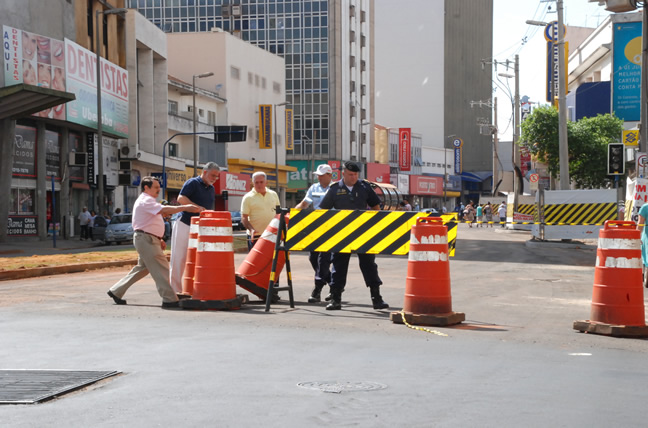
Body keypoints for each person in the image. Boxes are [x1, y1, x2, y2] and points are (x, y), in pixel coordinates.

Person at [107, 176, 203, 309]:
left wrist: (159, 238)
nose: (159, 190)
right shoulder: (145, 200)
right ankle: (169, 299)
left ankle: (116, 291)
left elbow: (150, 221)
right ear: (146, 187)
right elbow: (164, 210)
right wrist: (185, 207)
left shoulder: (148, 201)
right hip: (146, 239)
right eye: (156, 187)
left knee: (142, 269)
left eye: (159, 187)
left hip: (148, 239)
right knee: (161, 267)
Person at [319, 161, 388, 311]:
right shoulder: (335, 189)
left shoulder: (364, 187)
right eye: (350, 174)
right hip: (342, 234)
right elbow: (323, 211)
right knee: (338, 265)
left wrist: (374, 226)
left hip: (363, 233)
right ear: (343, 173)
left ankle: (377, 298)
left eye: (356, 174)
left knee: (369, 265)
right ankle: (335, 299)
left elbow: (376, 207)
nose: (353, 177)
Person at [169, 162, 220, 293]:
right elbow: (181, 198)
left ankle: (193, 288)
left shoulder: (212, 189)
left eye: (217, 176)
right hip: (184, 223)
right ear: (204, 172)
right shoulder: (193, 183)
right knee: (179, 257)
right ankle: (175, 291)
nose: (215, 178)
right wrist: (196, 207)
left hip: (200, 227)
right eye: (213, 175)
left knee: (197, 258)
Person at [295, 164, 334, 303]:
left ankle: (317, 290)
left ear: (330, 175)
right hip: (316, 227)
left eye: (321, 175)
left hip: (331, 228)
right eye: (318, 175)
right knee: (313, 257)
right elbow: (304, 203)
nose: (319, 177)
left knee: (323, 259)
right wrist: (292, 213)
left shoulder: (336, 189)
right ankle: (332, 284)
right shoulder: (314, 188)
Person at [241, 171, 281, 251]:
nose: (259, 185)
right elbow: (244, 217)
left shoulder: (273, 194)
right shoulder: (247, 197)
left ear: (266, 182)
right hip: (256, 235)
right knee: (256, 262)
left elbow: (278, 213)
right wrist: (251, 229)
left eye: (261, 182)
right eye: (256, 182)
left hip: (272, 234)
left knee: (272, 261)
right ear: (253, 183)